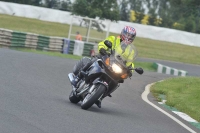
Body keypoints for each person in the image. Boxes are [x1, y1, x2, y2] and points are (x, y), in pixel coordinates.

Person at [72, 26, 137, 108]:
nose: (128, 37)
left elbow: (130, 62)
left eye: (131, 36)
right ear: (123, 33)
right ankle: (78, 77)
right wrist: (102, 48)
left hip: (116, 66)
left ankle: (101, 97)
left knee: (117, 82)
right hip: (106, 58)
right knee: (93, 60)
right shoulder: (113, 39)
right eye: (127, 35)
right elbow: (103, 43)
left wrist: (131, 70)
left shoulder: (131, 50)